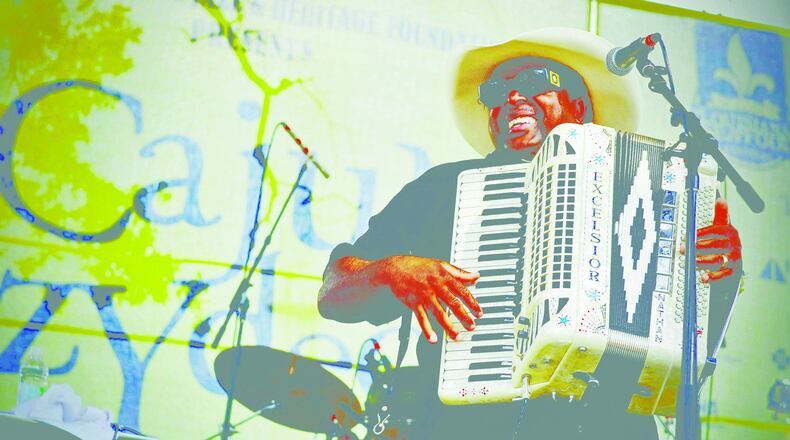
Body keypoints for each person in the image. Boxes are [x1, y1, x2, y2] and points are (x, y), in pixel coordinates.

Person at [318, 28, 742, 439]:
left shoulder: (658, 188)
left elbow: (692, 336)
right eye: (495, 93)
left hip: (610, 427)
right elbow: (334, 290)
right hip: (470, 427)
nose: (512, 97)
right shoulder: (441, 188)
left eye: (532, 81)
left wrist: (719, 273)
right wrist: (391, 270)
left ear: (580, 104)